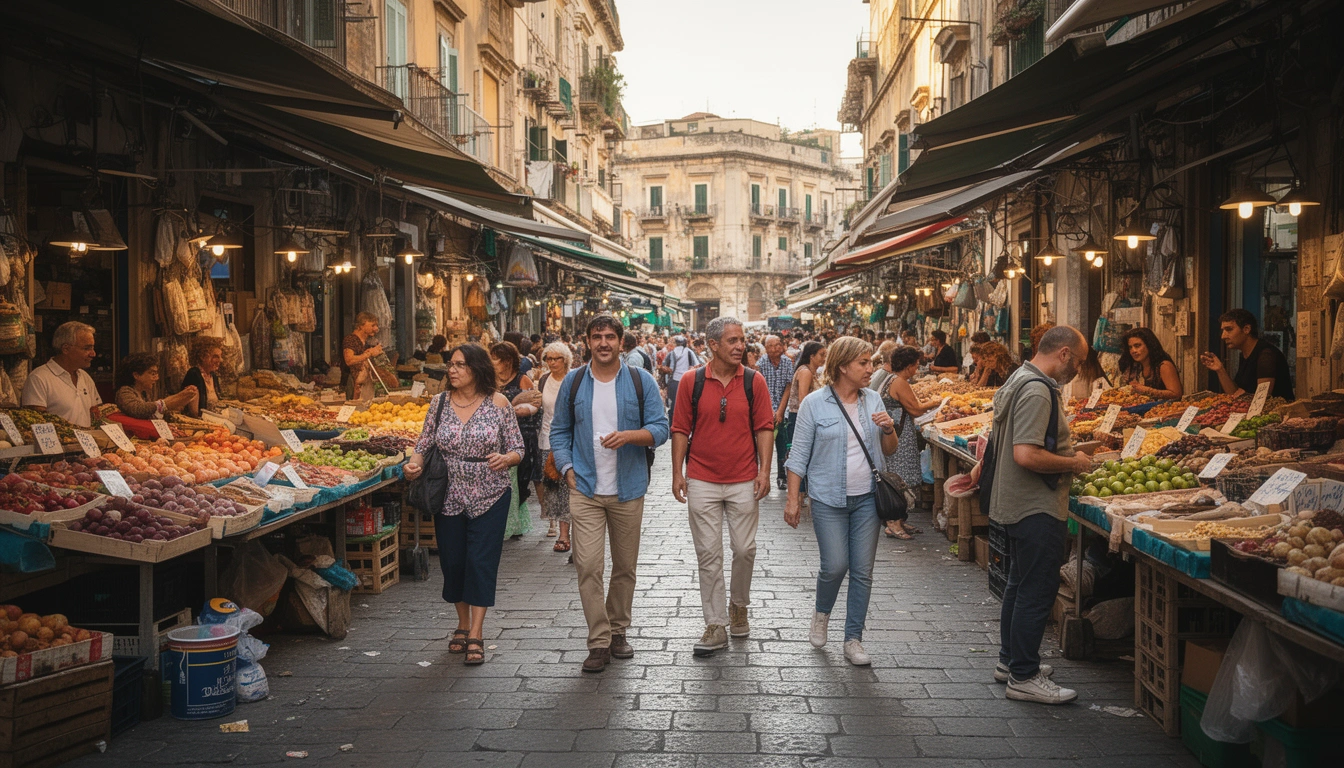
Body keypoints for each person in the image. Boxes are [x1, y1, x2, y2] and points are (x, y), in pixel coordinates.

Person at [973, 325, 1092, 704]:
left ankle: (1011, 662)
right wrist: (1074, 463)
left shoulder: (1019, 378)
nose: (1079, 370)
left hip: (1014, 502)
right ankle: (1023, 675)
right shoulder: (1039, 390)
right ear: (1064, 354)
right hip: (1035, 505)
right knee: (1036, 591)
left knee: (1019, 584)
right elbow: (1025, 454)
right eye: (1080, 361)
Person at [549, 315, 669, 673]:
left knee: (625, 566)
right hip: (584, 487)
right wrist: (568, 468)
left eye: (610, 337)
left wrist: (629, 436)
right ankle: (598, 640)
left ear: (621, 341)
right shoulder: (573, 383)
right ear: (587, 341)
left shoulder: (639, 380)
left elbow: (661, 429)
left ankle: (619, 630)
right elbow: (559, 432)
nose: (603, 343)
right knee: (587, 565)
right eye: (597, 337)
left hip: (628, 488)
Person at [403, 343, 524, 667]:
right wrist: (413, 465)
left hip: (491, 493)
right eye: (450, 364)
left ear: (477, 368)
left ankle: (476, 632)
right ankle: (461, 621)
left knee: (481, 562)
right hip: (449, 494)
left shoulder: (499, 404)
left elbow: (517, 447)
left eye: (459, 364)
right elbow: (424, 442)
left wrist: (506, 458)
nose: (452, 370)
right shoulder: (439, 403)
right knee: (454, 562)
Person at [784, 337, 898, 666]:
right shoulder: (814, 404)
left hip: (867, 500)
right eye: (863, 363)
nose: (870, 368)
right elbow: (798, 456)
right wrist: (793, 499)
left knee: (862, 571)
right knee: (835, 565)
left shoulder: (874, 399)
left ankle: (853, 639)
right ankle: (822, 614)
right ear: (843, 366)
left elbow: (888, 450)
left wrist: (889, 428)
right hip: (827, 498)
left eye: (870, 362)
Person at [670, 318, 774, 657]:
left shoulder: (754, 381)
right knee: (708, 553)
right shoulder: (692, 381)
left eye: (741, 340)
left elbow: (764, 427)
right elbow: (680, 428)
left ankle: (738, 605)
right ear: (712, 345)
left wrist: (765, 471)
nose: (739, 346)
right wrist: (677, 472)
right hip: (701, 477)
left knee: (745, 549)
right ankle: (715, 624)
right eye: (732, 340)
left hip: (744, 477)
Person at [881, 345, 943, 539]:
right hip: (899, 436)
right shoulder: (899, 382)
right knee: (900, 476)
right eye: (915, 366)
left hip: (898, 432)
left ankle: (900, 519)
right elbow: (915, 410)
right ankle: (893, 523)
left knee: (901, 475)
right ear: (908, 366)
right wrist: (938, 402)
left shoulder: (891, 379)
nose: (916, 370)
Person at [490, 342, 540, 540]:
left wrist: (519, 409)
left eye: (496, 359)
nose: (492, 363)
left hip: (521, 437)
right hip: (496, 439)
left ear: (508, 361)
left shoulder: (522, 380)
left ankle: (514, 523)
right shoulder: (490, 381)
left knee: (519, 480)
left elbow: (535, 403)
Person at [1199, 309, 1293, 400]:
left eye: (1229, 329)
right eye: (1223, 331)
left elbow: (1261, 400)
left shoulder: (1266, 355)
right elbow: (1234, 395)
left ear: (1246, 329)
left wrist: (1244, 395)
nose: (1223, 336)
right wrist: (1220, 369)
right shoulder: (1244, 355)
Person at [22, 321, 102, 428]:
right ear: (66, 349)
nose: (93, 354)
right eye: (86, 348)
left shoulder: (85, 377)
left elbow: (95, 415)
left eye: (92, 348)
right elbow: (36, 424)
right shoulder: (38, 378)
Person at [536, 341, 573, 552]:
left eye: (556, 358)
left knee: (568, 488)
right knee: (554, 487)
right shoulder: (543, 380)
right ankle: (561, 531)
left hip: (570, 440)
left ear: (565, 360)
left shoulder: (574, 379)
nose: (551, 362)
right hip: (547, 438)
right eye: (548, 358)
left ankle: (568, 534)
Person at [757, 335, 795, 491]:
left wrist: (779, 411)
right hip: (765, 409)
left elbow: (788, 387)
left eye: (778, 345)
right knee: (763, 445)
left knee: (782, 444)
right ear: (766, 348)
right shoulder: (762, 363)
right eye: (771, 346)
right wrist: (770, 411)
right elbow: (761, 388)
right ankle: (761, 475)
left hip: (782, 409)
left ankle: (781, 475)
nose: (776, 348)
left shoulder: (787, 362)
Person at [113, 353, 197, 419]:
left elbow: (154, 413)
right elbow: (139, 409)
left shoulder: (144, 393)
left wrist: (183, 399)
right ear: (136, 375)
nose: (157, 378)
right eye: (152, 373)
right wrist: (177, 397)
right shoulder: (124, 391)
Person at [1119, 327, 1182, 400]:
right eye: (1130, 347)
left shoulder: (1164, 366)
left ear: (1149, 345)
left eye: (1137, 346)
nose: (1133, 351)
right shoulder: (1135, 367)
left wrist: (1146, 390)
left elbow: (1177, 394)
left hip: (1165, 409)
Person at [341, 312, 384, 400]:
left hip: (365, 385)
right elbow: (349, 360)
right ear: (361, 326)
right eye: (372, 325)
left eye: (376, 325)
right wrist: (369, 353)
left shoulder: (367, 342)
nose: (376, 329)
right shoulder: (351, 340)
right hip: (352, 383)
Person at [179, 337, 225, 417]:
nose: (221, 360)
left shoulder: (213, 376)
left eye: (220, 356)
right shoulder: (194, 374)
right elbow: (194, 413)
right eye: (215, 356)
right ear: (203, 357)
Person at [660, 336, 699, 421]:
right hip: (687, 382)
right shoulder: (689, 352)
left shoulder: (671, 353)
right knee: (686, 405)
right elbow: (697, 365)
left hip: (673, 382)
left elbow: (663, 366)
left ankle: (672, 427)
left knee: (673, 406)